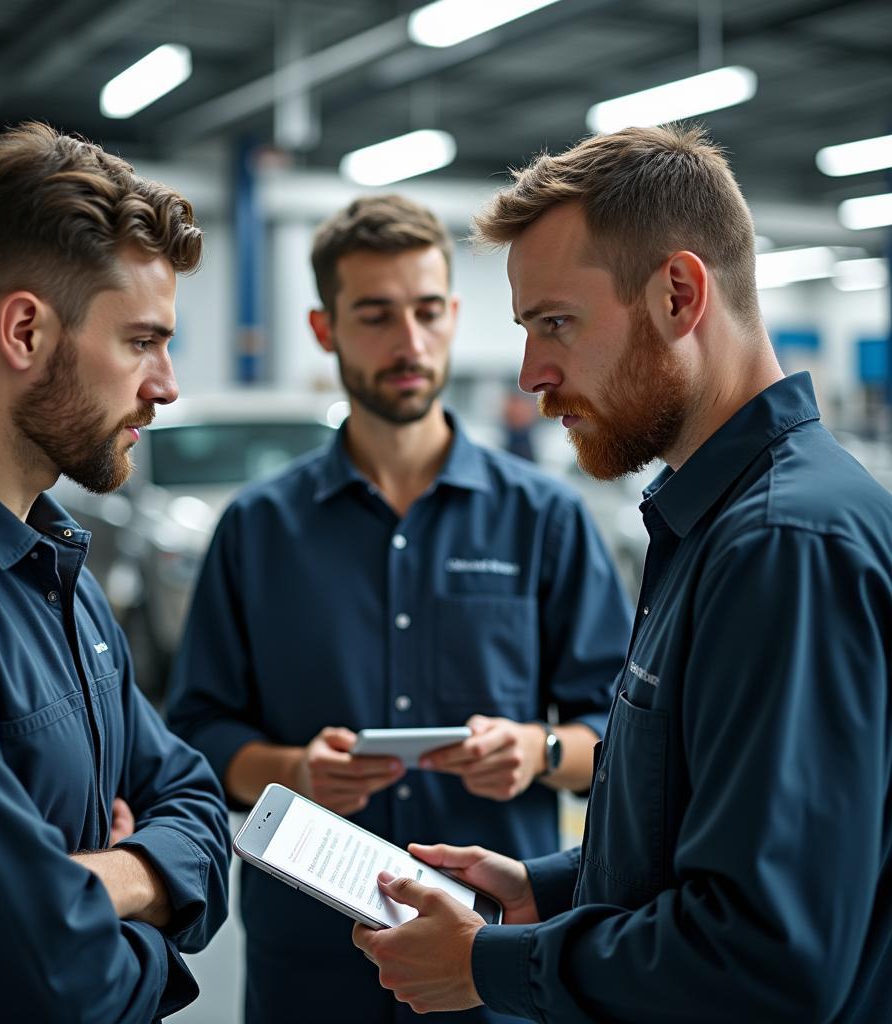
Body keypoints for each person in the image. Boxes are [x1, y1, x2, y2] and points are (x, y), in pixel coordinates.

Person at [351, 124, 892, 1022]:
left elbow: (765, 961)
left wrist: (494, 966)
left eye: (555, 323)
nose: (532, 374)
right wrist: (549, 889)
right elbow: (706, 833)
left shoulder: (783, 546)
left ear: (679, 293)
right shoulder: (712, 522)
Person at [167, 194, 632, 1023]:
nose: (408, 343)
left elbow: (620, 743)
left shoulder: (543, 519)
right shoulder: (258, 530)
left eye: (426, 312)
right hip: (313, 964)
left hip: (492, 956)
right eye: (376, 316)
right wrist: (295, 772)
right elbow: (201, 732)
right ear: (325, 330)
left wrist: (537, 748)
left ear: (453, 318)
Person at [0, 123, 232, 1023]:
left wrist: (118, 876)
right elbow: (46, 984)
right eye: (142, 341)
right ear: (25, 329)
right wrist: (149, 907)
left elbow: (197, 803)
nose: (168, 384)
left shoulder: (56, 564)